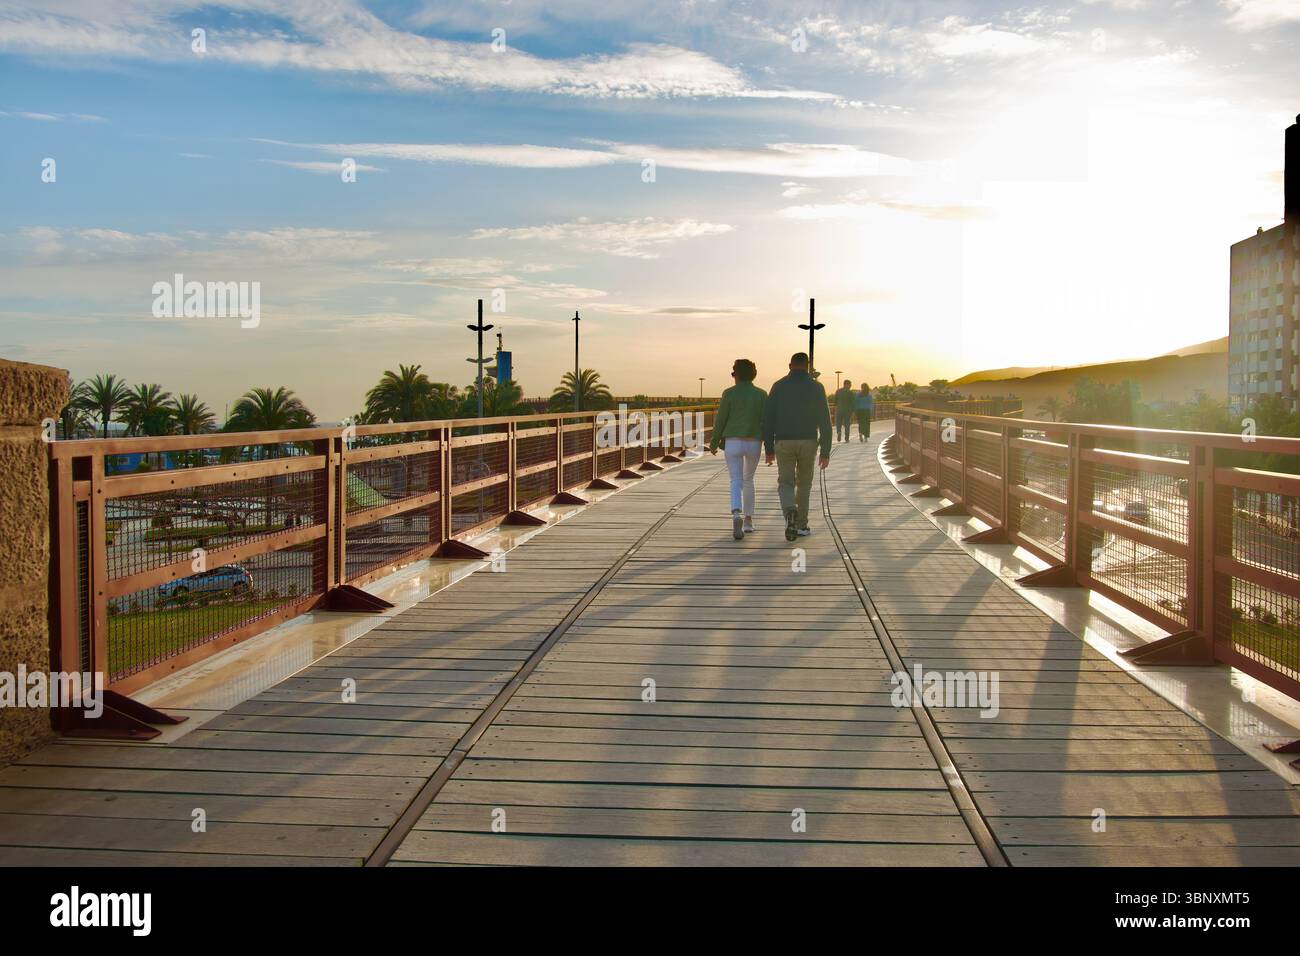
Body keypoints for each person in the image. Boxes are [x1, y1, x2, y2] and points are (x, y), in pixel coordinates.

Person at [762, 352, 832, 542]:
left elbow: (768, 419)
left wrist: (768, 448)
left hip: (783, 441)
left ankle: (789, 511)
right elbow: (825, 421)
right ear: (808, 366)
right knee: (804, 483)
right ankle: (801, 524)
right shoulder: (817, 387)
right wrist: (825, 451)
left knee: (785, 483)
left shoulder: (778, 386)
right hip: (809, 441)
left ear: (790, 365)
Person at [708, 358, 766, 539]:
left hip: (733, 441)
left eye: (733, 374)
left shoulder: (729, 393)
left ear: (737, 375)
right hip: (754, 441)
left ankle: (736, 514)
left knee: (735, 480)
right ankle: (748, 521)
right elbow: (766, 421)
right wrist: (770, 445)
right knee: (749, 480)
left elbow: (721, 420)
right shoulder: (761, 394)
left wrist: (714, 441)